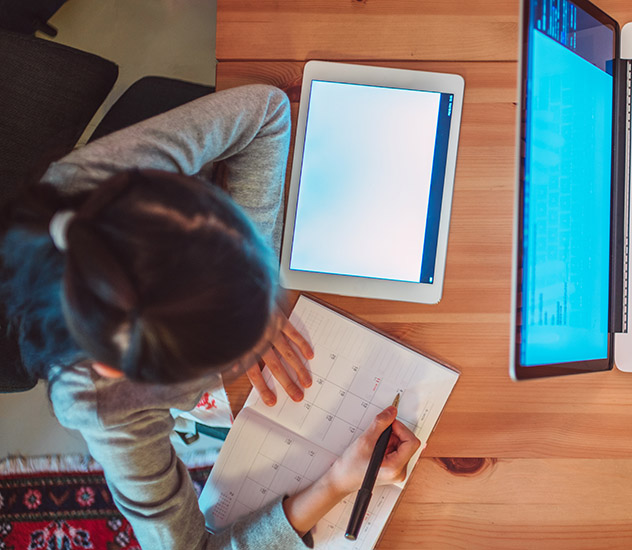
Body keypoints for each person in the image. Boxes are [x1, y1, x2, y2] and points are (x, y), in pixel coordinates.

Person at [0, 84, 420, 548]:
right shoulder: (105, 405)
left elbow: (267, 110)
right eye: (236, 353)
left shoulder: (116, 182)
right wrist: (337, 483)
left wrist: (255, 296)